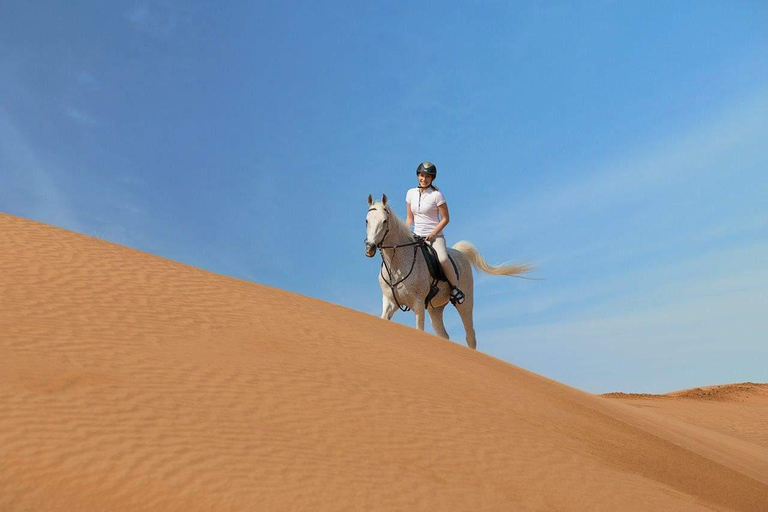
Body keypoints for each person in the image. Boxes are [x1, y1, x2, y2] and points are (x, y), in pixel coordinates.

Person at [405, 161, 465, 305]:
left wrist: (433, 233)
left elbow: (445, 219)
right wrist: (405, 233)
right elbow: (409, 218)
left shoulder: (437, 195)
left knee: (443, 259)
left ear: (432, 179)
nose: (423, 179)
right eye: (421, 175)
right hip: (417, 236)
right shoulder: (410, 193)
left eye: (427, 177)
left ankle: (454, 288)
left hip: (434, 237)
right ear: (417, 175)